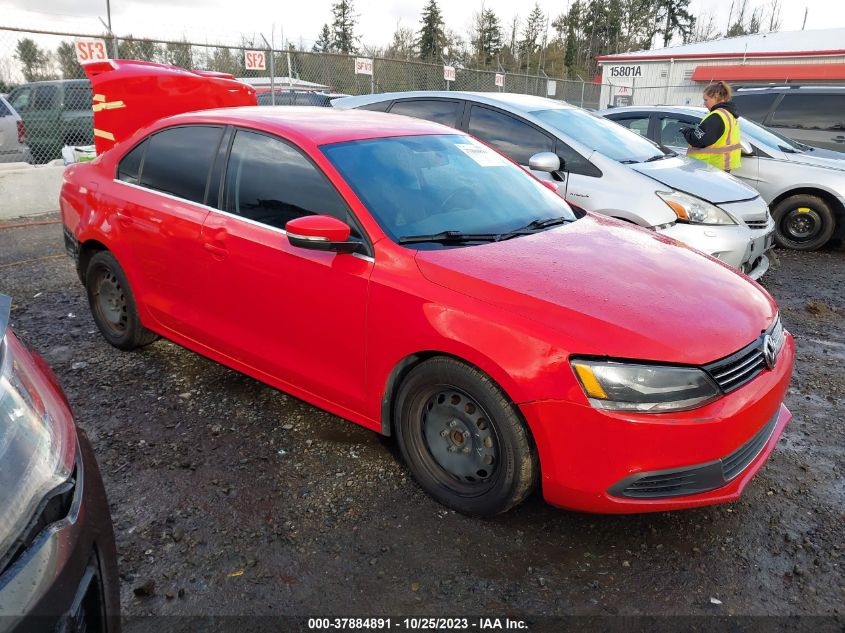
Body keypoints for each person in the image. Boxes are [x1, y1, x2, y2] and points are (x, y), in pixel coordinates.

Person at [681, 81, 741, 172]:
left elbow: (698, 140)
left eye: (706, 100)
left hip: (710, 166)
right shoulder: (728, 114)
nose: (704, 103)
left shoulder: (717, 116)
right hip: (721, 165)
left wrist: (687, 131)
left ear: (716, 97)